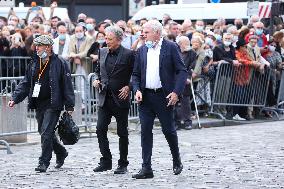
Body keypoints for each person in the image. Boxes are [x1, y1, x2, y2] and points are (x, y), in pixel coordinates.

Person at [8, 35, 75, 172]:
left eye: (39, 46)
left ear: (48, 47)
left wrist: (69, 105)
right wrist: (15, 98)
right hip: (39, 102)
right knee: (44, 131)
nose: (36, 48)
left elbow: (67, 85)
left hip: (53, 103)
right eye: (36, 45)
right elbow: (26, 83)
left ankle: (43, 162)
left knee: (46, 132)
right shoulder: (34, 62)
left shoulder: (60, 63)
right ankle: (61, 152)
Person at [132, 20, 187, 179]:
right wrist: (136, 90)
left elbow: (182, 71)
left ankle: (176, 160)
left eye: (146, 32)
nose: (143, 34)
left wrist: (176, 92)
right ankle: (146, 167)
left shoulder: (170, 47)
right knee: (145, 132)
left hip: (163, 97)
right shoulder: (142, 50)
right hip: (146, 97)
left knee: (168, 130)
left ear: (157, 33)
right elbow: (135, 74)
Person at [92, 26, 134, 174]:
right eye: (106, 38)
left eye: (110, 39)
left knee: (122, 132)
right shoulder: (102, 51)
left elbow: (135, 74)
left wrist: (129, 87)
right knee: (100, 129)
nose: (106, 41)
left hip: (120, 99)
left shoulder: (129, 54)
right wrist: (96, 80)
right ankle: (106, 161)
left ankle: (123, 163)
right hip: (104, 97)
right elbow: (98, 70)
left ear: (119, 39)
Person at [175, 36, 196, 130]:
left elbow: (192, 66)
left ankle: (188, 122)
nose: (188, 45)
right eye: (185, 43)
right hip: (175, 79)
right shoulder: (175, 51)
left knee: (185, 101)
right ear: (179, 44)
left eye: (188, 43)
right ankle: (176, 122)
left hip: (185, 80)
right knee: (174, 101)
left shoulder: (192, 53)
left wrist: (187, 77)